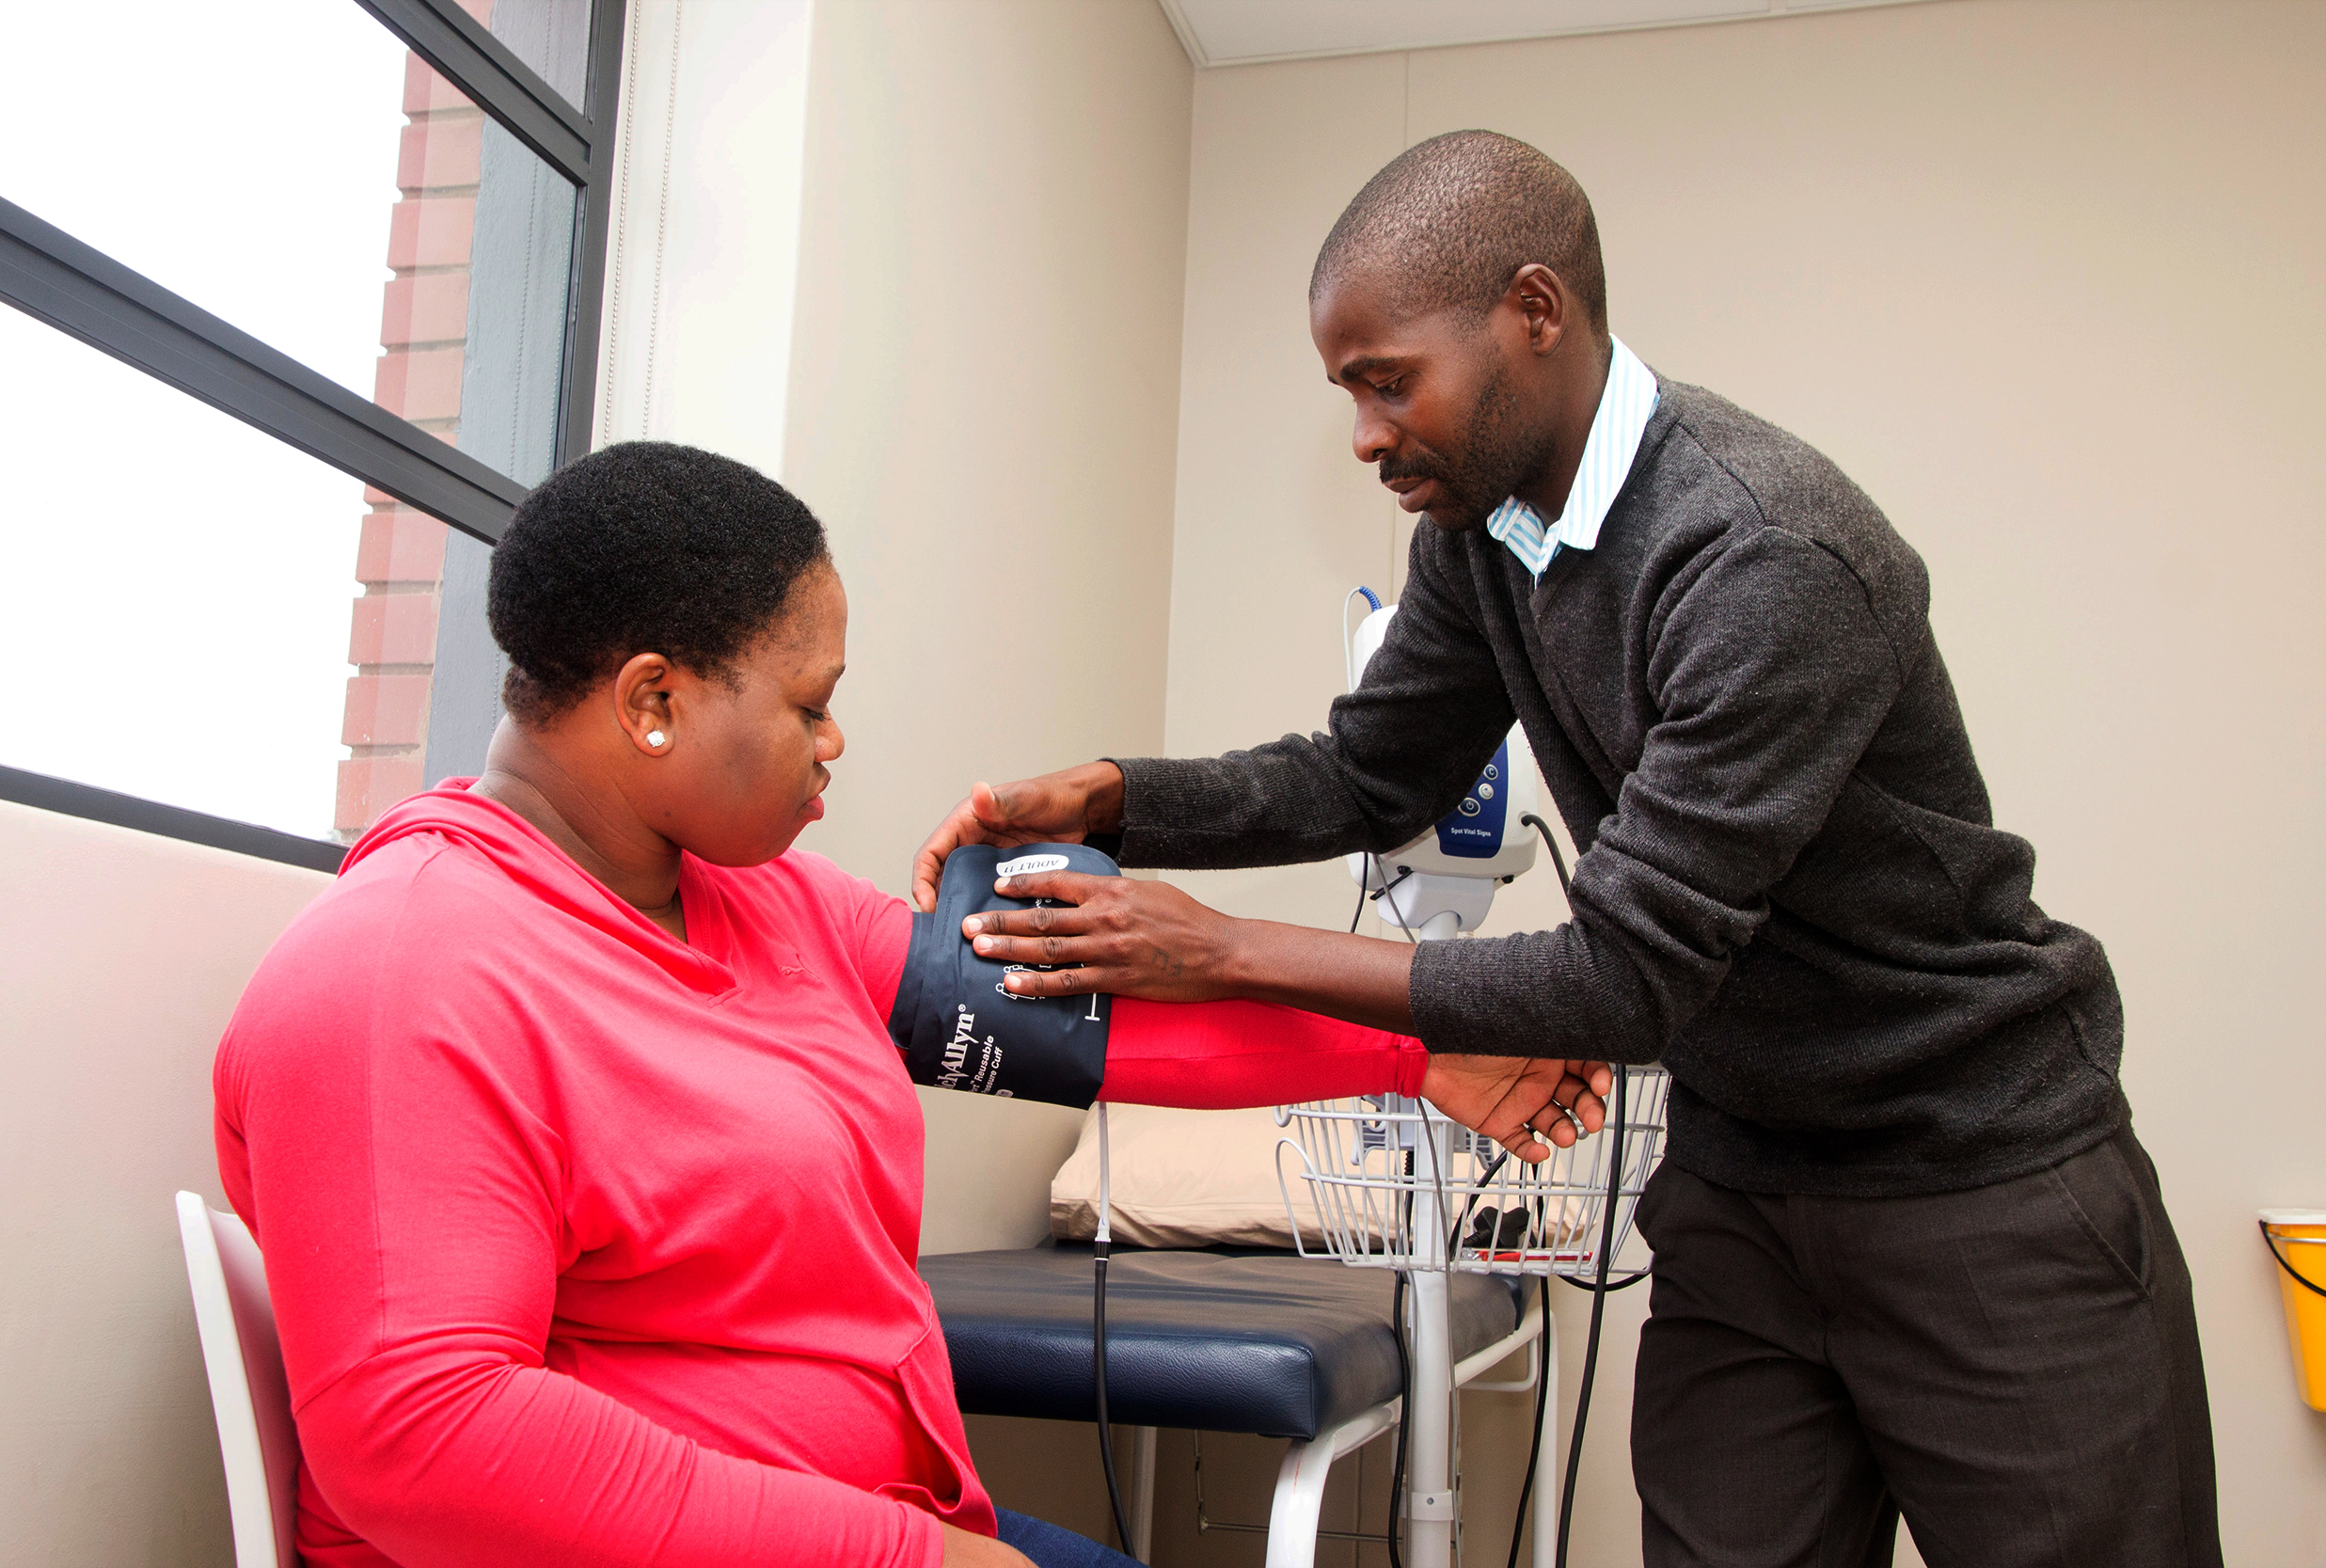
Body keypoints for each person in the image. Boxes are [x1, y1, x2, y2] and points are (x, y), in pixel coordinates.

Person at [912, 132, 2219, 1567]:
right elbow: (1367, 772)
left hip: (1983, 1183)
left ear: (1535, 313)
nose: (1362, 434)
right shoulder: (1490, 537)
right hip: (1742, 1185)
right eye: (1348, 390)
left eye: (1386, 380)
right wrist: (1109, 798)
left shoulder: (1765, 553)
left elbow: (1626, 977)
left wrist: (1214, 952)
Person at [214, 440, 1606, 1568]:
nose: (836, 744)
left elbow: (1095, 1028)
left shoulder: (764, 903)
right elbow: (425, 1442)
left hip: (906, 1521)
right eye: (810, 704)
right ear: (653, 701)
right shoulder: (402, 973)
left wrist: (1414, 1055)